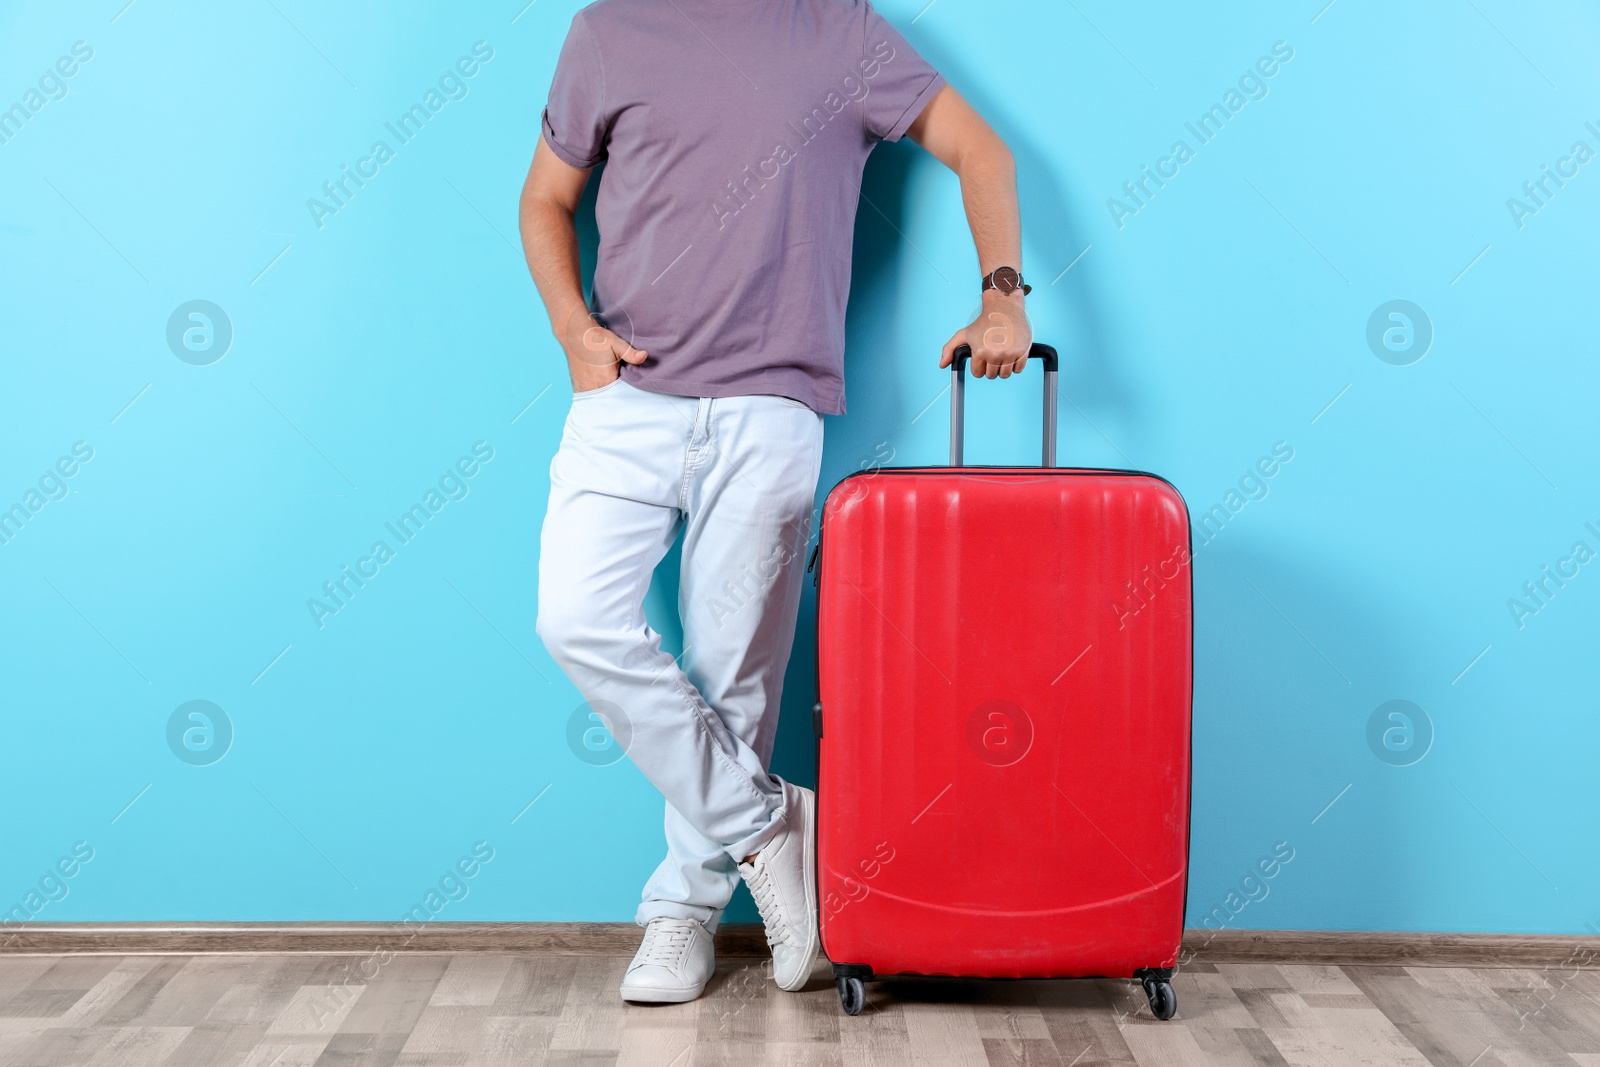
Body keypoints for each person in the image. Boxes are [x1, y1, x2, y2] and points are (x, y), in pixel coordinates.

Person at [518, 0, 1032, 1004]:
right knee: (573, 618)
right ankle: (769, 823)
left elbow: (982, 149)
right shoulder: (607, 30)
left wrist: (1003, 294)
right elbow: (545, 198)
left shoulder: (839, 32)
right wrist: (574, 331)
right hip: (626, 395)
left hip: (772, 399)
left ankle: (680, 914)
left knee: (733, 679)